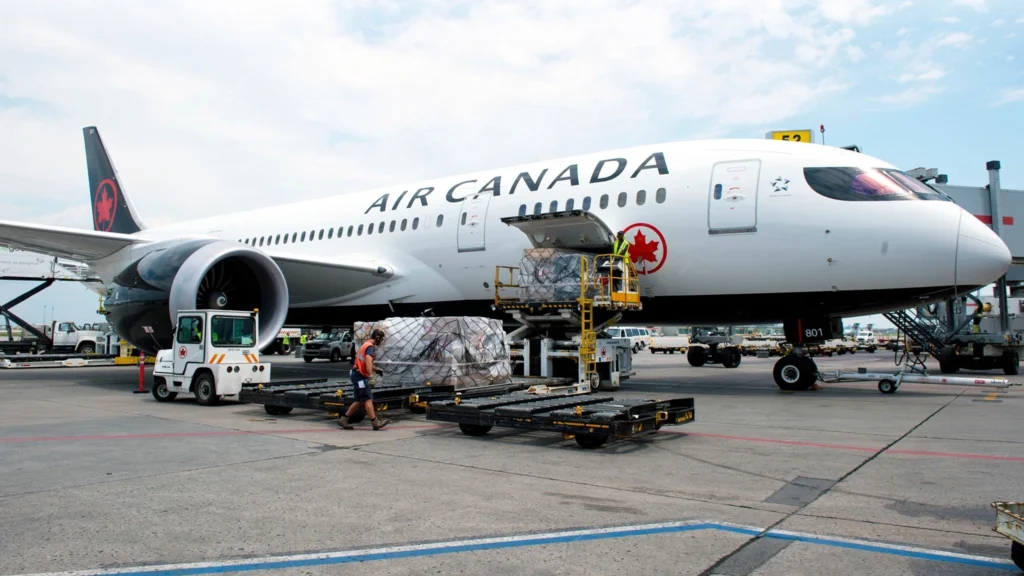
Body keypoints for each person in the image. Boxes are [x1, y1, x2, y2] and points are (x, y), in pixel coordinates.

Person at [339, 329, 390, 430]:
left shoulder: (365, 345)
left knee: (359, 400)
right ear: (377, 337)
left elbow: (365, 362)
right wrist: (371, 376)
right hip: (360, 376)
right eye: (382, 339)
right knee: (367, 399)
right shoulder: (369, 347)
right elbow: (368, 361)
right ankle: (375, 422)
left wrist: (376, 369)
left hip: (356, 374)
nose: (382, 341)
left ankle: (344, 419)